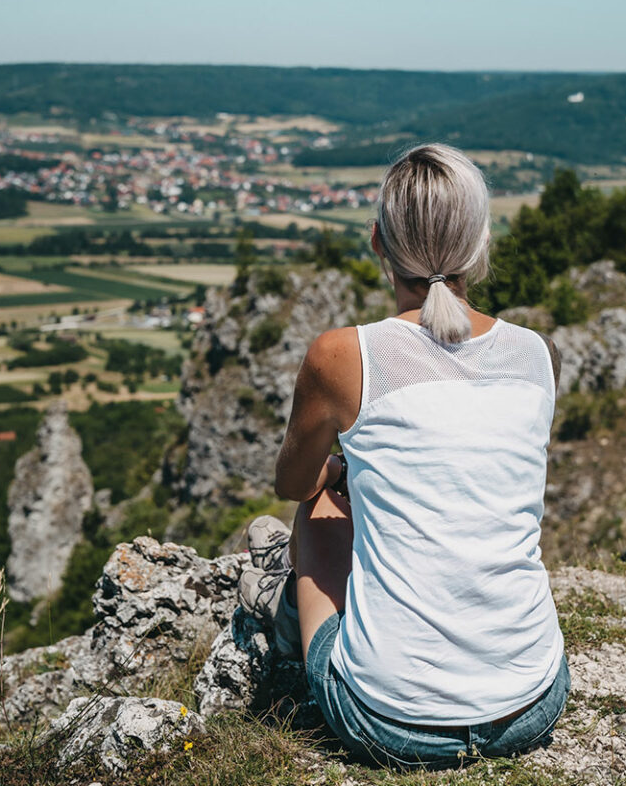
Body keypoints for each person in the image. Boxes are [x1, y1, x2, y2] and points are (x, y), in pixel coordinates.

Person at [239, 143, 569, 769]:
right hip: (532, 698)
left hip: (390, 722)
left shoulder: (343, 356)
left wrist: (337, 475)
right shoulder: (536, 354)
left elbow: (290, 481)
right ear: (480, 244)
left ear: (377, 242)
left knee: (320, 504)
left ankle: (287, 618)